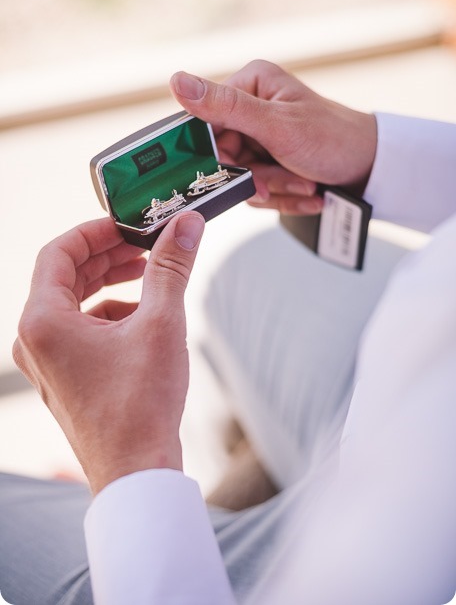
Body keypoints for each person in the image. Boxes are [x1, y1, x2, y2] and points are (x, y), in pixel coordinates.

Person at [1, 60, 456, 604]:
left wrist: (128, 468)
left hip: (404, 518)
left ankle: (155, 501)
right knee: (254, 265)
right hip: (417, 367)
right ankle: (225, 465)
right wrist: (377, 152)